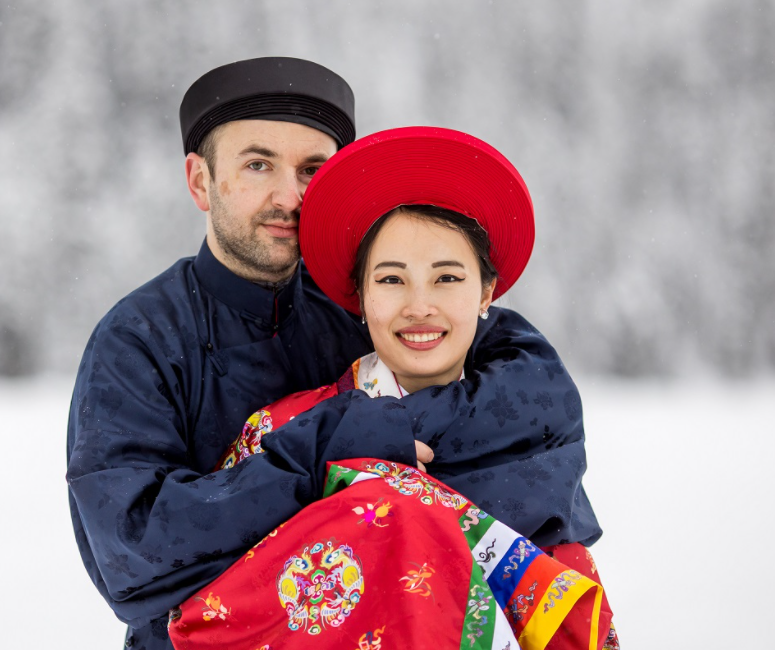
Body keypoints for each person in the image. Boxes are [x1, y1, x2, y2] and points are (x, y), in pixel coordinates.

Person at [66, 58, 601, 650]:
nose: (288, 196)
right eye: (258, 164)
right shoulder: (138, 341)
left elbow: (536, 405)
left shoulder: (367, 301)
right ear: (199, 181)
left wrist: (390, 440)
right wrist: (318, 456)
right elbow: (133, 556)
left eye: (311, 169)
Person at [169, 127, 617, 649]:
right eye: (391, 279)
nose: (419, 305)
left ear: (486, 291)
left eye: (447, 278)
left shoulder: (533, 438)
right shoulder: (284, 431)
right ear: (359, 296)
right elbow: (208, 612)